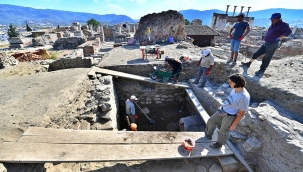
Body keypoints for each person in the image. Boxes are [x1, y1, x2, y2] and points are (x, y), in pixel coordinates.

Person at [205, 74, 250, 149]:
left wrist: (234, 125)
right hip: (223, 110)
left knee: (223, 131)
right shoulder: (235, 89)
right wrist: (223, 106)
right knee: (211, 121)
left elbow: (241, 113)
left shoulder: (244, 97)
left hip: (230, 116)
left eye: (230, 82)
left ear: (236, 83)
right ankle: (208, 134)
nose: (229, 84)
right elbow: (230, 101)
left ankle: (219, 144)